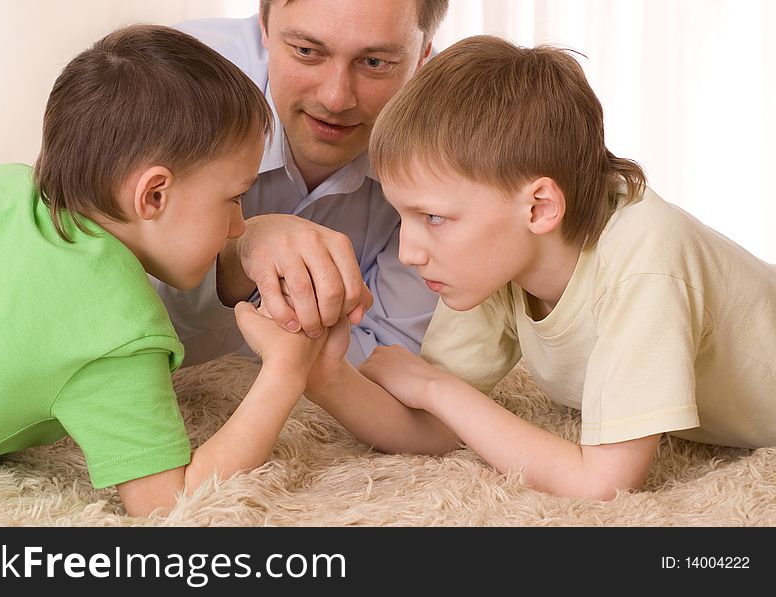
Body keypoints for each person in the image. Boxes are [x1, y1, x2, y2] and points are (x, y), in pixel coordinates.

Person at [303, 34, 776, 499]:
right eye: (402, 215)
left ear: (539, 207)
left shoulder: (645, 260)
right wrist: (325, 375)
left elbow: (603, 483)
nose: (408, 251)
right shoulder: (494, 265)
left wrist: (435, 386)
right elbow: (436, 430)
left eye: (433, 217)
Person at [0, 24, 341, 517]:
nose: (238, 227)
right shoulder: (116, 332)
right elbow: (166, 504)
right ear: (153, 195)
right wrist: (285, 371)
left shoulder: (4, 186)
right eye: (234, 199)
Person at [157, 0, 449, 365]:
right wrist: (235, 259)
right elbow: (117, 322)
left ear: (423, 58)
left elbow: (394, 354)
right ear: (264, 27)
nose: (335, 98)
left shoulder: (452, 142)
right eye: (308, 51)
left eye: (374, 63)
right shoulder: (166, 90)